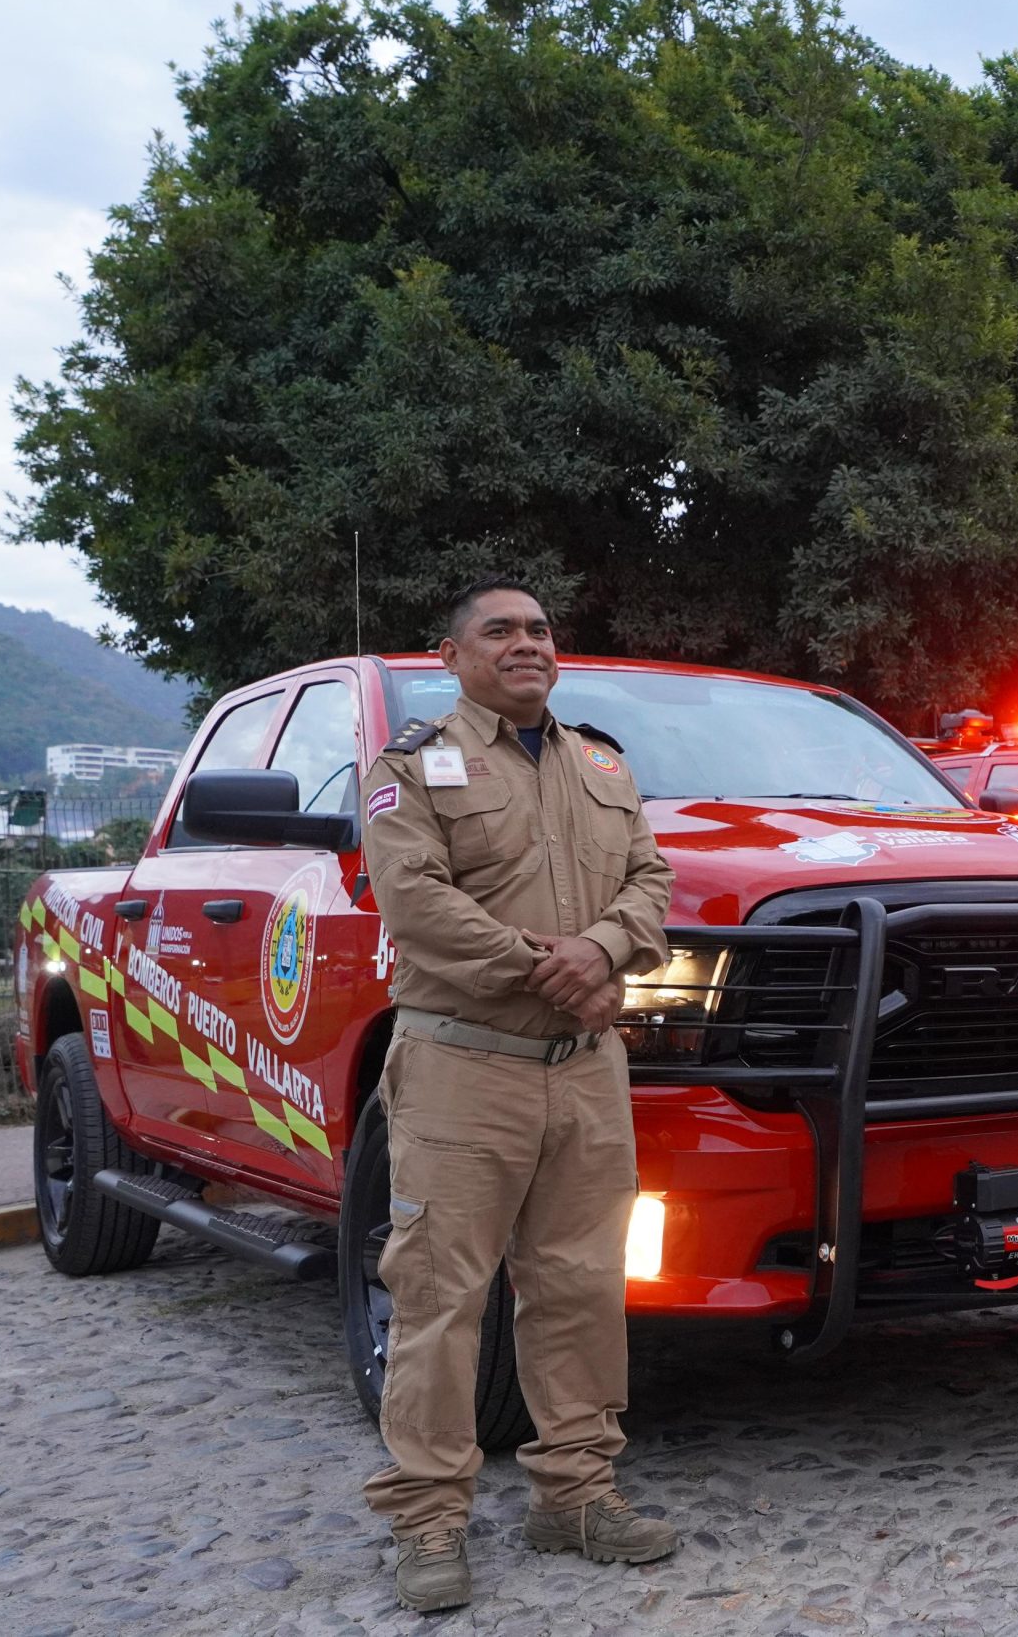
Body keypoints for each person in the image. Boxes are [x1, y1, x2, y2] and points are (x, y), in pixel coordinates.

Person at [362, 580, 679, 1613]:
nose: (526, 643)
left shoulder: (602, 762)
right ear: (450, 655)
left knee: (583, 1289)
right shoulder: (409, 768)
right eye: (499, 630)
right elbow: (415, 903)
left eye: (539, 628)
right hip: (465, 1066)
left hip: (588, 1072)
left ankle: (576, 1497)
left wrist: (601, 947)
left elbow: (651, 879)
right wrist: (539, 964)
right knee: (439, 1300)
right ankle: (427, 1522)